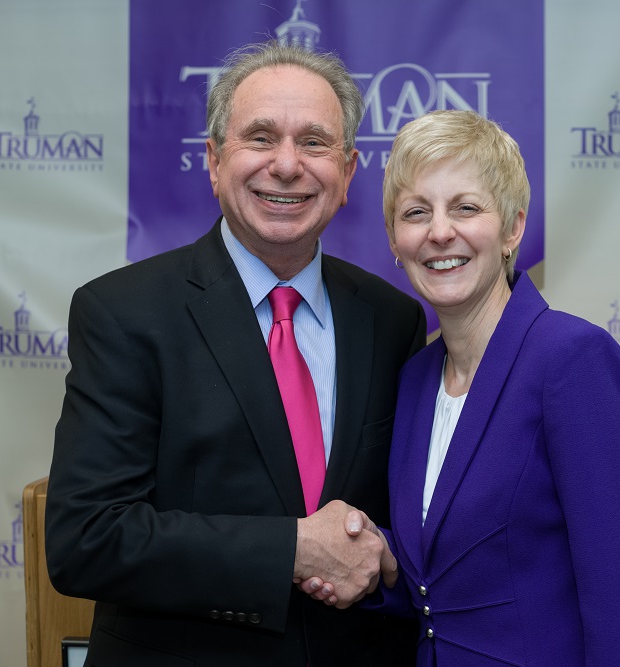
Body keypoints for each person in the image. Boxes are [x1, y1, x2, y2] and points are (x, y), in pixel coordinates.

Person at [43, 41, 425, 666]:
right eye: (261, 137)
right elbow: (86, 538)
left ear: (350, 172)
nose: (287, 165)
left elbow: (397, 517)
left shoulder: (392, 318)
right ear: (215, 162)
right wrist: (293, 549)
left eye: (315, 142)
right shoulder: (123, 313)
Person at [310, 109, 620, 664]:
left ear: (513, 227)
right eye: (416, 212)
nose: (440, 231)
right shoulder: (415, 380)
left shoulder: (573, 360)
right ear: (394, 241)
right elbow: (440, 589)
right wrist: (367, 559)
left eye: (466, 207)